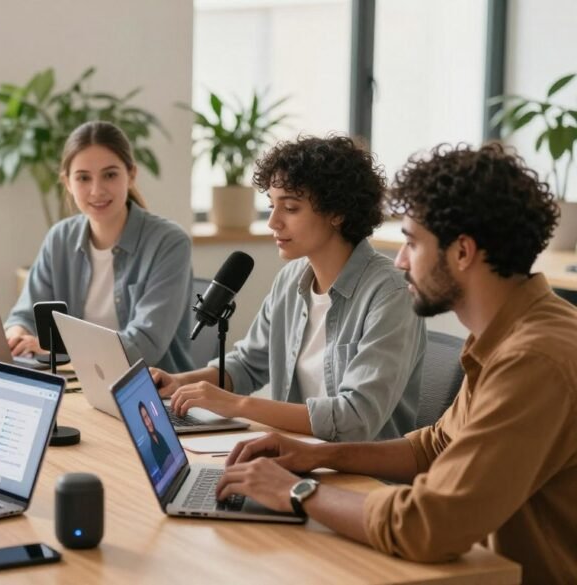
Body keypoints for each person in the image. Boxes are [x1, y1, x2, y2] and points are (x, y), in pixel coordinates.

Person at [215, 143, 576, 583]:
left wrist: (296, 490)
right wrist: (315, 456)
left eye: (411, 243)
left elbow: (429, 525)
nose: (401, 262)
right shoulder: (508, 334)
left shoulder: (533, 359)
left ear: (462, 252)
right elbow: (436, 447)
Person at [154, 135, 424, 442]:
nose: (273, 222)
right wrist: (177, 383)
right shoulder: (290, 280)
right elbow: (247, 365)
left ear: (337, 212)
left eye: (291, 208)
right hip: (296, 455)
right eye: (271, 205)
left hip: (362, 475)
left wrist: (238, 405)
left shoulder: (390, 293)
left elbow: (355, 419)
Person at [4, 121, 195, 372]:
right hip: (76, 386)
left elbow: (145, 345)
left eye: (110, 175)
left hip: (151, 393)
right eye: (83, 178)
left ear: (131, 175)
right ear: (68, 183)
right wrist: (17, 334)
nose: (97, 190)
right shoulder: (60, 238)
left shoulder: (169, 242)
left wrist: (57, 350)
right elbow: (26, 314)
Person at [139, 401, 171, 472]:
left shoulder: (159, 435)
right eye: (144, 418)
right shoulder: (150, 446)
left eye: (148, 415)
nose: (148, 420)